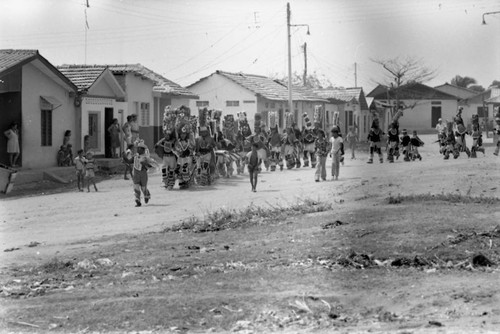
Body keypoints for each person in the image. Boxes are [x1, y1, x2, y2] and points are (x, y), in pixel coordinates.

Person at [133, 140, 155, 207]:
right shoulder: (135, 156)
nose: (139, 149)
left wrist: (148, 165)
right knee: (136, 187)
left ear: (143, 150)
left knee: (143, 188)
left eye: (141, 148)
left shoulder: (146, 157)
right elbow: (130, 161)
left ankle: (147, 195)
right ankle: (137, 200)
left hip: (143, 174)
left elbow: (149, 165)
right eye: (138, 148)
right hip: (136, 174)